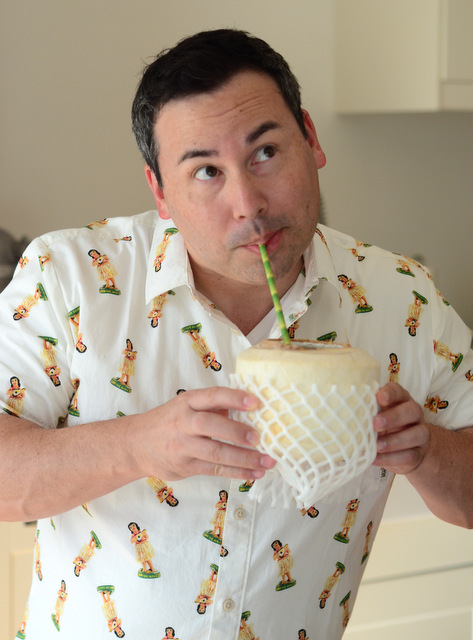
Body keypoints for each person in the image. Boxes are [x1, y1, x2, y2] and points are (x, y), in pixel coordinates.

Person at [0, 28, 472, 639]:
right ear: (160, 191)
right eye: (204, 171)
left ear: (311, 140)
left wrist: (426, 451)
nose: (247, 202)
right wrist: (138, 445)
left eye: (266, 153)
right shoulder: (68, 278)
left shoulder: (403, 297)